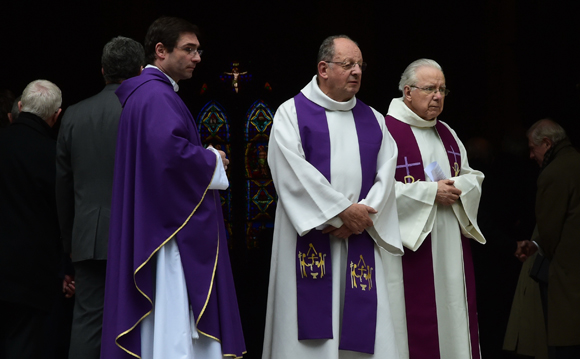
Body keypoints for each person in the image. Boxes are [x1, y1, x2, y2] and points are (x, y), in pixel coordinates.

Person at [100, 17, 246, 359]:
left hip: (158, 225)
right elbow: (170, 156)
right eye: (188, 49)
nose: (197, 58)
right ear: (160, 51)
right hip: (168, 236)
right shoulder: (156, 96)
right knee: (173, 319)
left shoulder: (148, 94)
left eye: (198, 50)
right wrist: (213, 159)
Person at [263, 35, 403, 359]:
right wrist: (342, 213)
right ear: (323, 69)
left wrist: (360, 217)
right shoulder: (291, 114)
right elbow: (291, 172)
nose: (356, 71)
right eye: (347, 64)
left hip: (358, 237)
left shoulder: (375, 121)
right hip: (311, 236)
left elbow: (387, 175)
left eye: (360, 65)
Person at [383, 59, 485, 359]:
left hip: (450, 245)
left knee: (453, 311)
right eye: (429, 89)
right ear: (408, 91)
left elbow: (472, 177)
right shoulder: (385, 131)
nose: (438, 96)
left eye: (442, 89)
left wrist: (459, 188)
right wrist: (430, 193)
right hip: (410, 246)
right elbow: (376, 193)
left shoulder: (448, 133)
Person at [55, 36, 144, 359]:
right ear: (139, 70)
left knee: (88, 324)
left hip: (88, 239)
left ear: (103, 70)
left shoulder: (74, 115)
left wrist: (69, 248)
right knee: (142, 321)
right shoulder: (145, 111)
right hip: (138, 238)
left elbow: (63, 189)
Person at [0, 80, 63, 359]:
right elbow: (62, 216)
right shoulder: (54, 156)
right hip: (30, 277)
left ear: (21, 107)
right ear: (56, 115)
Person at [515, 119, 580, 358]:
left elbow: (550, 229)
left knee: (566, 342)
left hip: (567, 273)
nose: (531, 156)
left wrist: (539, 245)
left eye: (533, 148)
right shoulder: (575, 161)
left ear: (547, 143)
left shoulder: (554, 172)